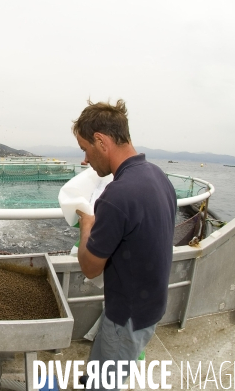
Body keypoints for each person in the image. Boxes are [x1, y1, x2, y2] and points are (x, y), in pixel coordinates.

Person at [71, 99, 176, 390]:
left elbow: (90, 268)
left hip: (126, 317)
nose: (85, 160)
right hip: (149, 306)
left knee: (108, 380)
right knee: (104, 363)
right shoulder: (158, 177)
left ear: (101, 141)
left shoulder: (117, 196)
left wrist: (86, 227)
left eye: (85, 149)